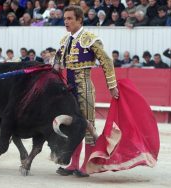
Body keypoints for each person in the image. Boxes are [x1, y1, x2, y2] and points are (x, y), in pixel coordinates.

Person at [54, 5, 119, 178]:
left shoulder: (89, 38)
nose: (66, 22)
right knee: (72, 127)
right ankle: (73, 163)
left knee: (88, 126)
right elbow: (56, 64)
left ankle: (86, 165)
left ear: (79, 20)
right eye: (65, 18)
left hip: (85, 89)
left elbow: (106, 61)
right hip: (69, 90)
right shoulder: (64, 41)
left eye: (70, 19)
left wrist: (112, 85)